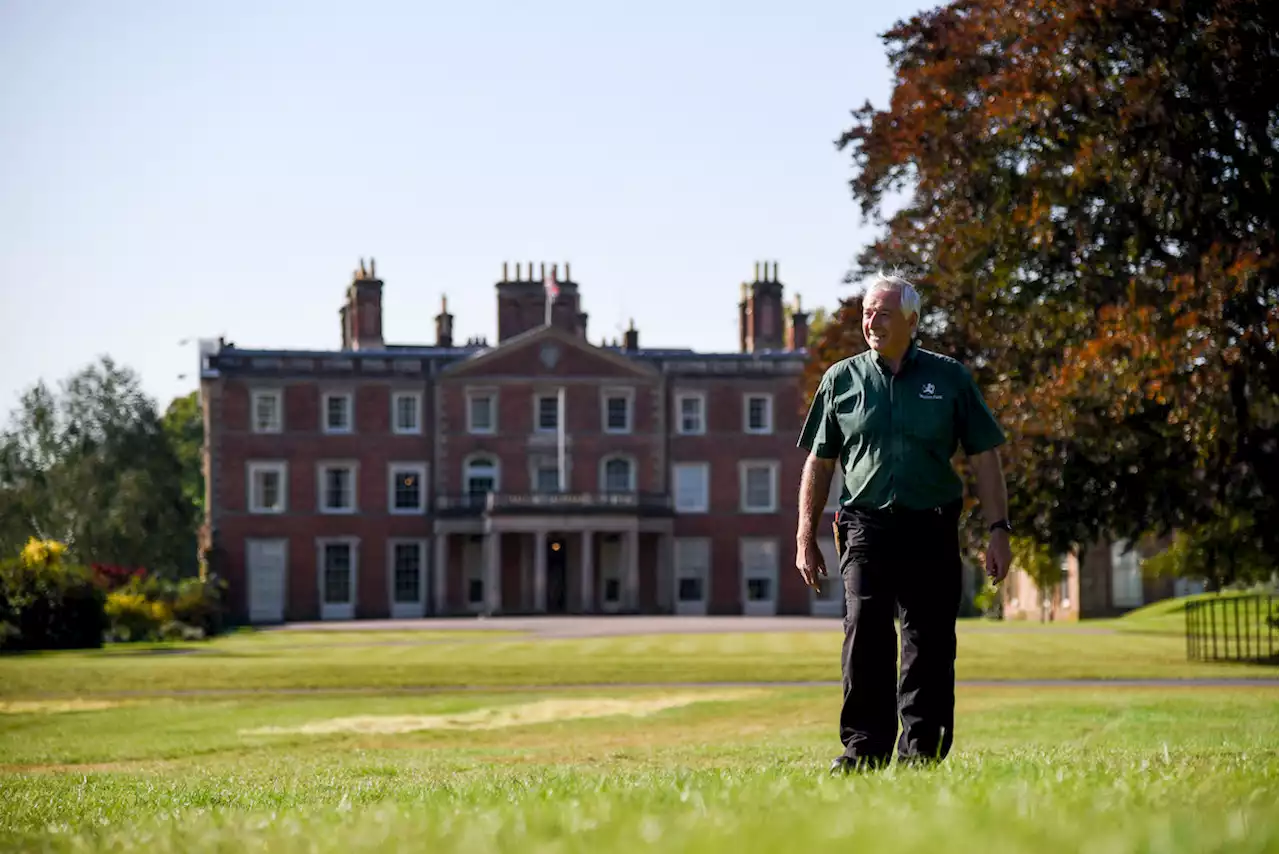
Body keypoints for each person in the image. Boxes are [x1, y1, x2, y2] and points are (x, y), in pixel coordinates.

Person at [794, 273, 1012, 774]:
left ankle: (923, 755)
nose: (872, 321)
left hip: (931, 526)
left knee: (928, 641)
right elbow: (819, 463)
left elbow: (984, 455)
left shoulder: (950, 378)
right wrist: (805, 534)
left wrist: (999, 529)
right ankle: (863, 752)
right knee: (865, 635)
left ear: (912, 322)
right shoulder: (840, 380)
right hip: (865, 527)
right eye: (868, 312)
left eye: (884, 313)